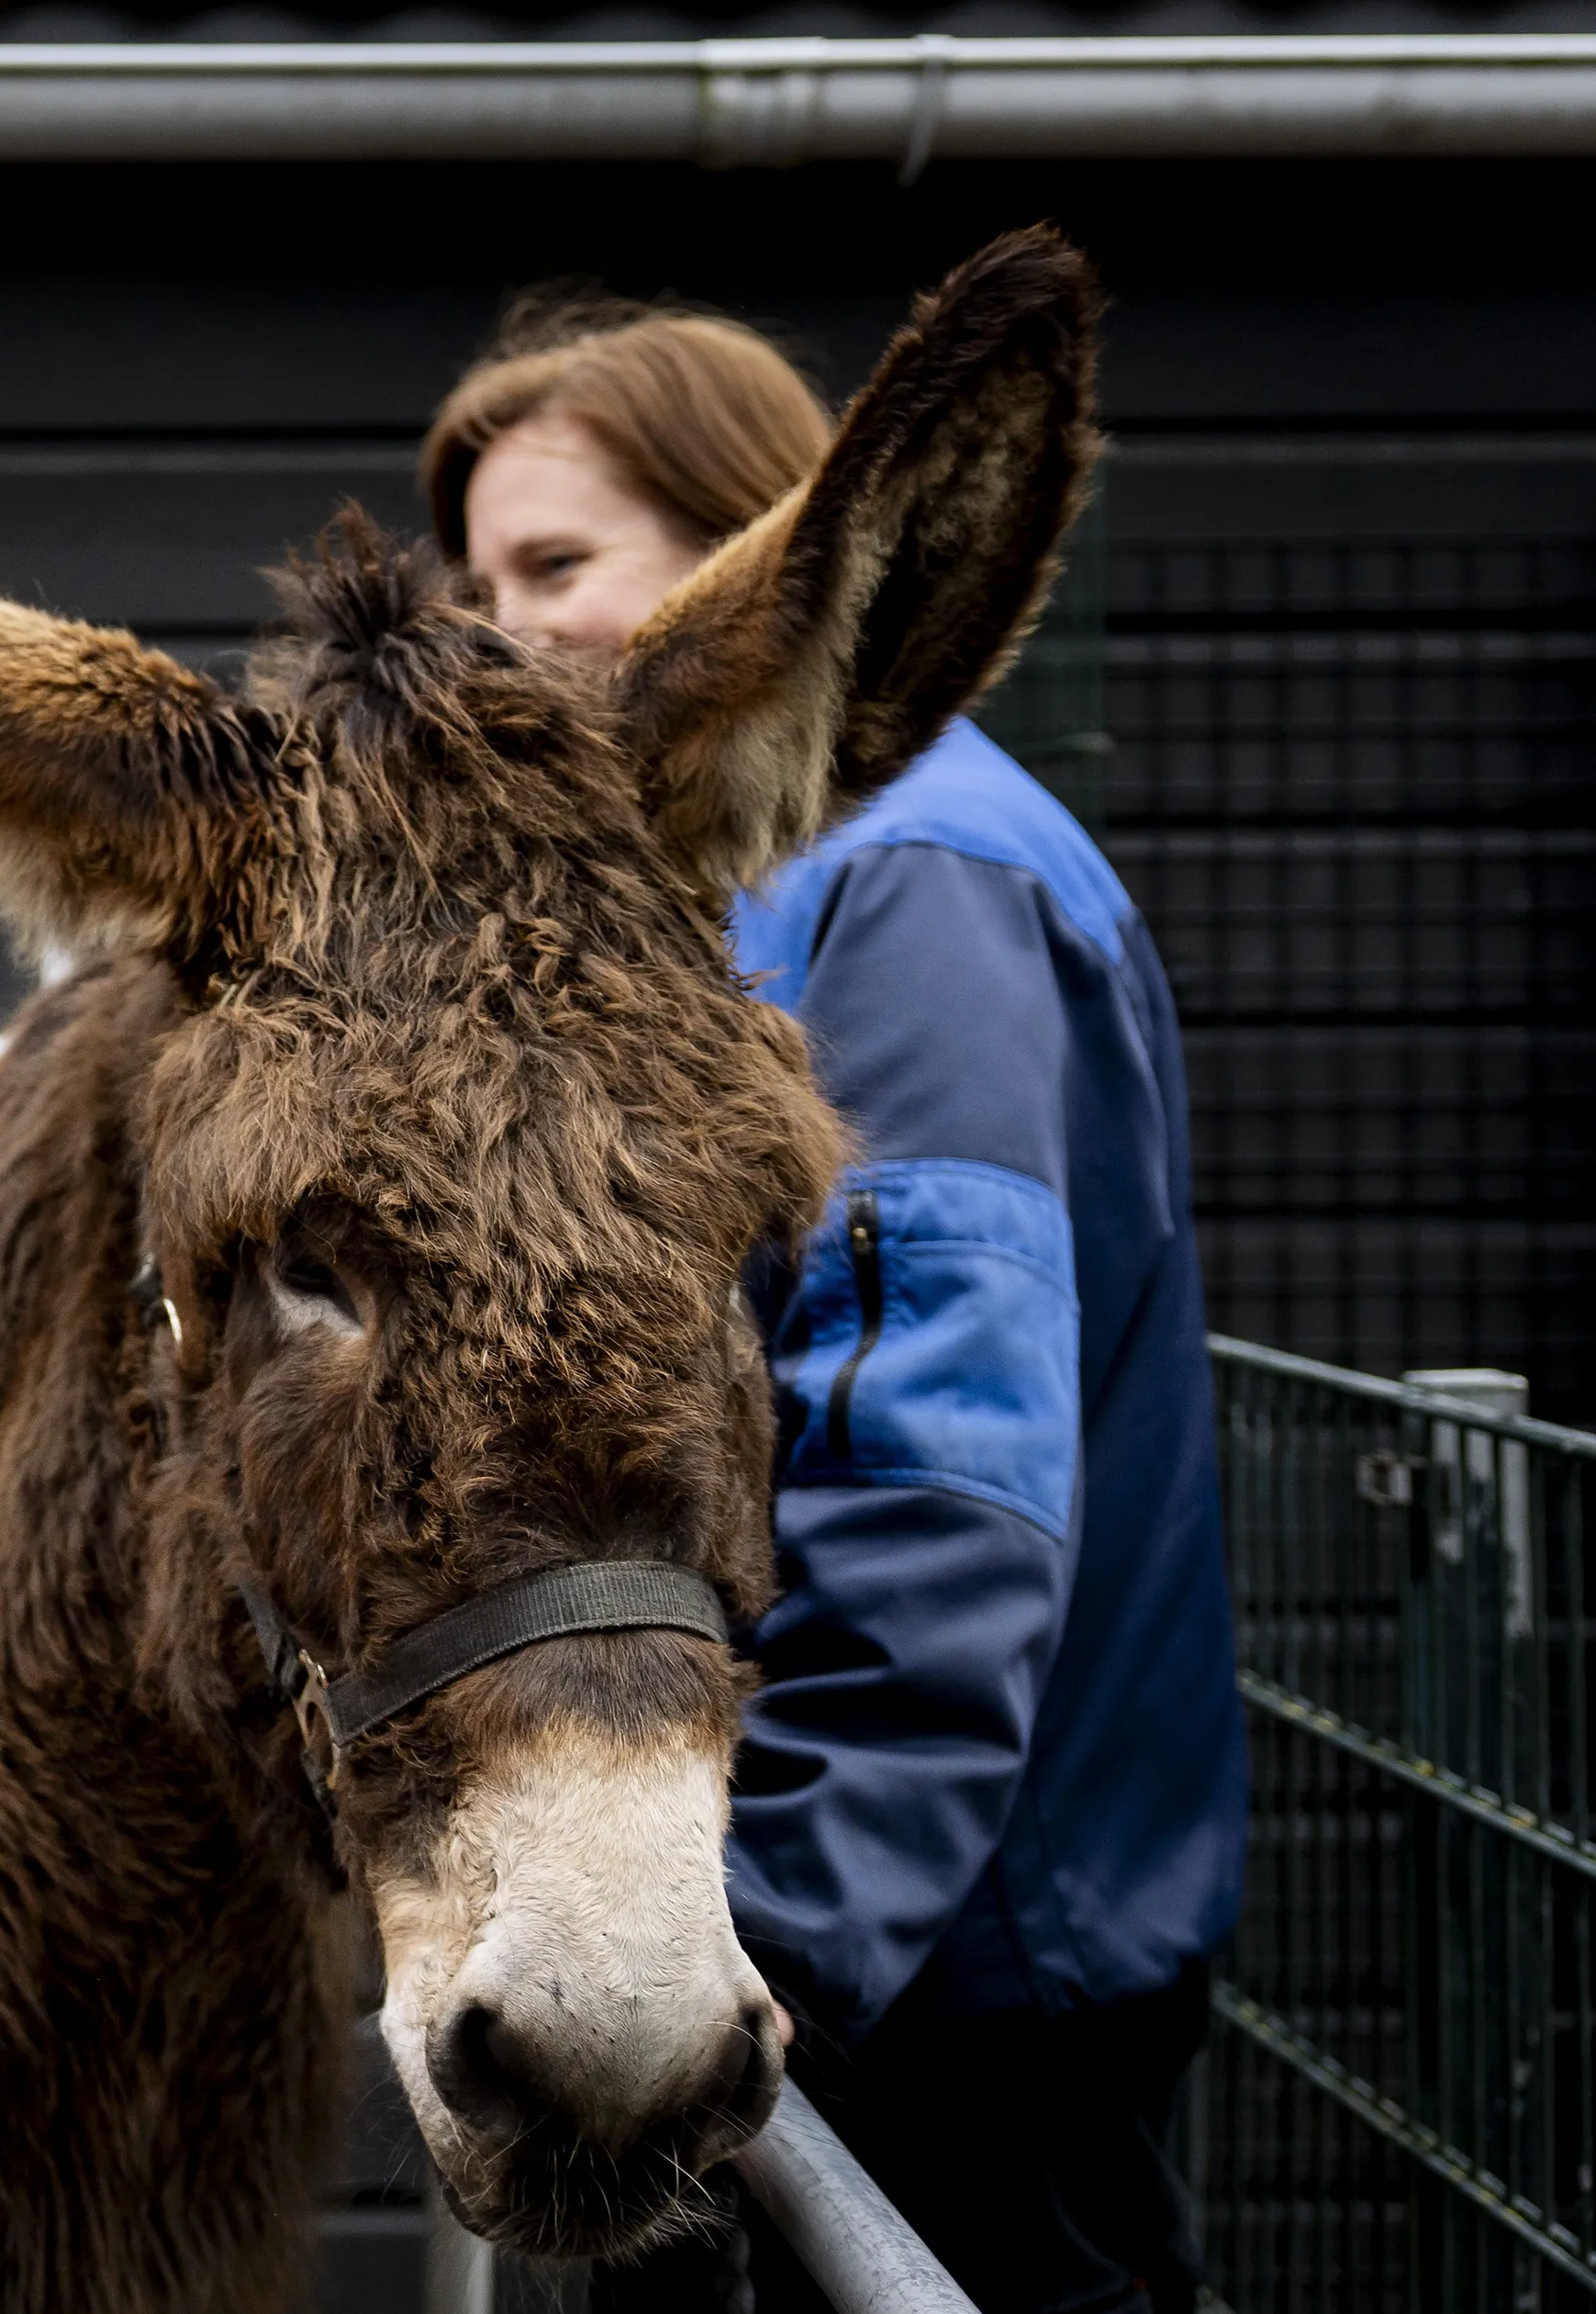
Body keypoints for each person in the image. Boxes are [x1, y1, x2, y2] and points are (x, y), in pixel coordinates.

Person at [426, 299, 1247, 2313]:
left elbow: (931, 1445)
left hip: (943, 1972)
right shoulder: (723, 885)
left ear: (752, 557)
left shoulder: (907, 874)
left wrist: (776, 1919)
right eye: (476, 581)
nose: (497, 628)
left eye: (558, 566)